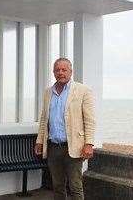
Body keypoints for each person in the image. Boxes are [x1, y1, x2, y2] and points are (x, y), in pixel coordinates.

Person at [35, 58, 95, 200]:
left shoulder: (83, 90)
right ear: (53, 72)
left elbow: (90, 120)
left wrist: (89, 144)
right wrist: (39, 141)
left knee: (75, 187)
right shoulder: (48, 92)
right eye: (57, 70)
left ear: (70, 72)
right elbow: (44, 119)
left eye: (64, 70)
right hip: (53, 147)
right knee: (57, 186)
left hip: (74, 147)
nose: (60, 73)